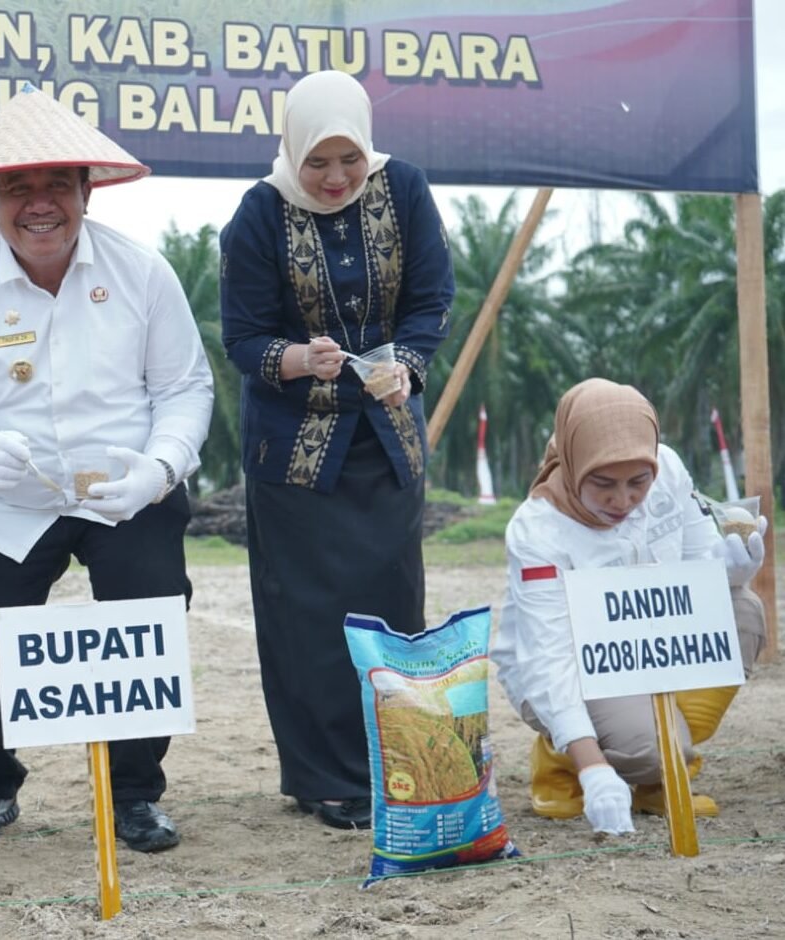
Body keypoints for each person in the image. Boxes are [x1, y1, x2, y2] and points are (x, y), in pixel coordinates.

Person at [0, 86, 214, 852]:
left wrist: (159, 470)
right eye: (18, 188)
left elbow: (185, 390)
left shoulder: (143, 273)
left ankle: (135, 795)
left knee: (146, 615)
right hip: (8, 497)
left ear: (86, 191)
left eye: (56, 186)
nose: (38, 205)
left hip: (125, 486)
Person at [218, 70, 455, 830]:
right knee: (308, 622)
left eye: (348, 159)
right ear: (291, 149)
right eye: (318, 161)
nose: (334, 178)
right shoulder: (256, 216)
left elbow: (431, 299)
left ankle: (396, 765)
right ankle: (323, 780)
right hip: (293, 458)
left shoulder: (407, 190)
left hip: (386, 445)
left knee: (391, 604)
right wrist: (296, 358)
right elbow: (244, 339)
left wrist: (409, 366)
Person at [491, 378, 768, 835]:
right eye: (603, 484)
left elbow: (700, 578)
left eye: (638, 482)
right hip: (573, 669)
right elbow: (548, 658)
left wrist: (734, 568)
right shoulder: (539, 530)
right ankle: (564, 758)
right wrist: (593, 769)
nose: (623, 501)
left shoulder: (670, 471)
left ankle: (657, 775)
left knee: (743, 612)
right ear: (574, 462)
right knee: (648, 749)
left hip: (648, 651)